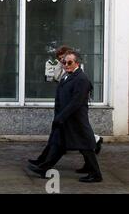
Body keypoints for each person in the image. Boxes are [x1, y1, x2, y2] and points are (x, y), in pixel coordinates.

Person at [28, 51, 103, 182]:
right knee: (59, 144)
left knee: (85, 147)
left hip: (75, 119)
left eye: (70, 62)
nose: (66, 65)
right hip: (66, 118)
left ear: (77, 63)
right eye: (64, 62)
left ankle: (96, 175)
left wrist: (61, 117)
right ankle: (44, 168)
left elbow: (76, 102)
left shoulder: (81, 79)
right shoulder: (67, 76)